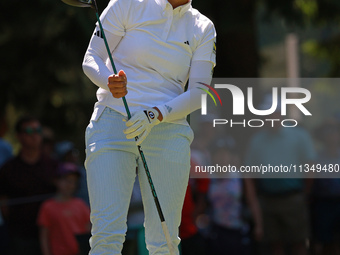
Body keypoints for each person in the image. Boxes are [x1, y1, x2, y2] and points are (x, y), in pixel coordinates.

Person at [82, 0, 216, 253]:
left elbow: (199, 92)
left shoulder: (203, 27)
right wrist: (108, 81)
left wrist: (156, 114)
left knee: (164, 240)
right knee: (106, 236)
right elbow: (92, 57)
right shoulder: (127, 3)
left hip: (168, 128)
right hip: (113, 121)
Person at [244, 102, 316, 255]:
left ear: (281, 115)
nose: (271, 119)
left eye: (274, 115)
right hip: (268, 199)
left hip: (293, 197)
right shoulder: (257, 140)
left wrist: (305, 193)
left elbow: (310, 166)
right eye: (267, 116)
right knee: (274, 244)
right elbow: (249, 172)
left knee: (298, 242)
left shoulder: (298, 135)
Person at [0, 116, 58, 255]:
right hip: (20, 239)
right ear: (18, 136)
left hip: (54, 236)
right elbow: (4, 204)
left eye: (38, 130)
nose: (35, 135)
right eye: (29, 131)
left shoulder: (54, 165)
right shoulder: (8, 169)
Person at [37, 162, 91, 255]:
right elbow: (44, 236)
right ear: (56, 181)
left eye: (73, 181)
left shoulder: (81, 204)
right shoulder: (47, 206)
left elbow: (89, 230)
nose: (69, 184)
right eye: (66, 180)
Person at [310, 120, 340, 255]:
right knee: (324, 241)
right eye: (328, 133)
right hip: (323, 203)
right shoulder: (317, 157)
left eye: (334, 132)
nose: (332, 136)